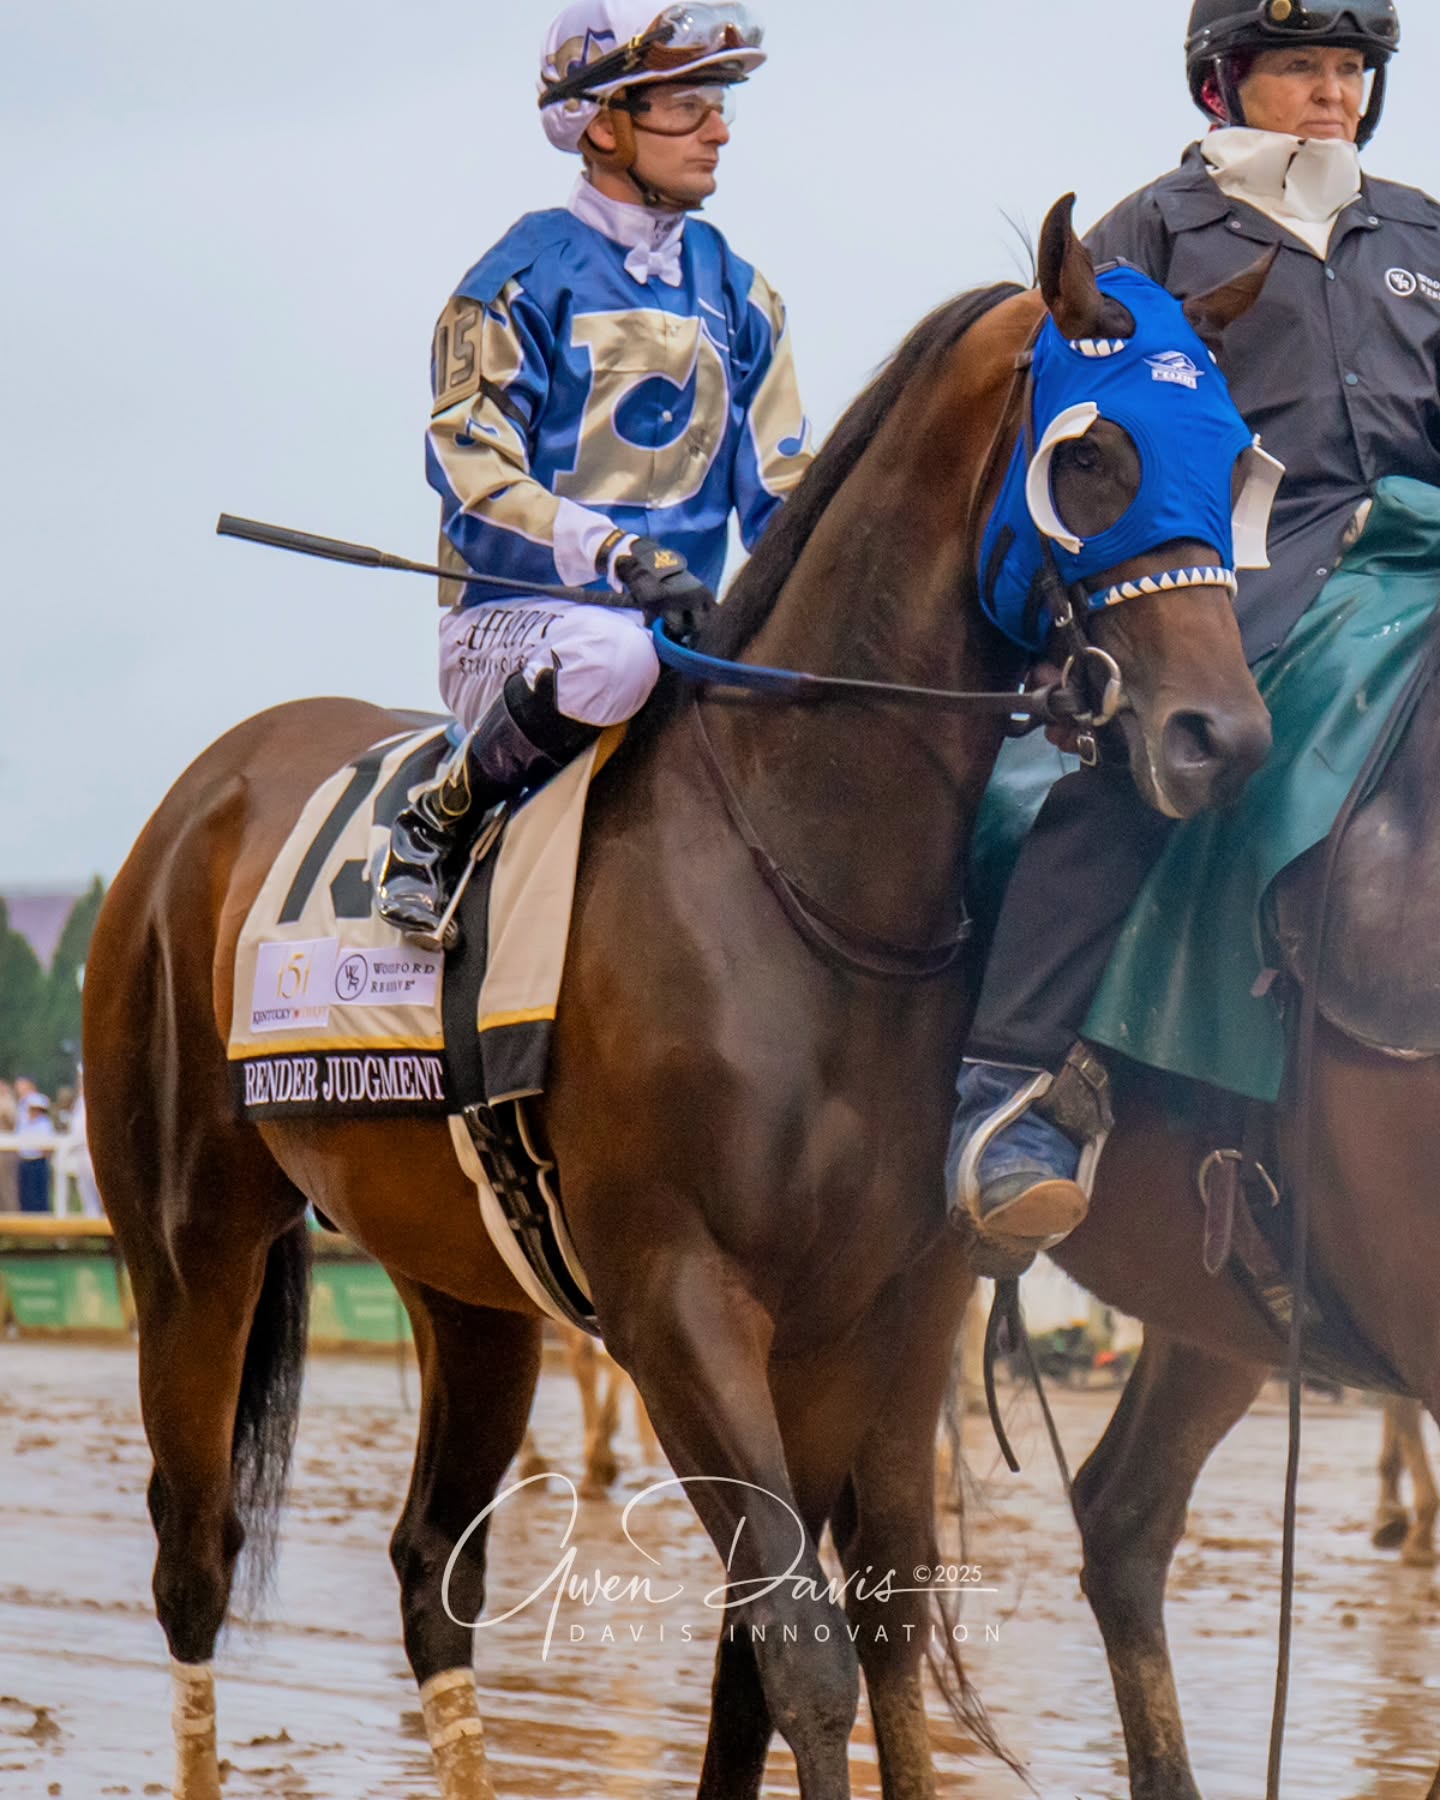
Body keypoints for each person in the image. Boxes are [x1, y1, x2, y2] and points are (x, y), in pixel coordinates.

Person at [947, 0, 1437, 1254]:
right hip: (1244, 569)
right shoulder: (1149, 232)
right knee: (1155, 762)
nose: (1332, 94)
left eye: (1351, 69)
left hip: (1423, 552)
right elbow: (1087, 442)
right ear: (1223, 84)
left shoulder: (1423, 231)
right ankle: (1018, 1083)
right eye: (1300, 68)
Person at [377, 0, 812, 934]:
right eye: (688, 105)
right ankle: (438, 819)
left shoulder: (742, 294)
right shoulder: (515, 282)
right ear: (604, 124)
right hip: (521, 630)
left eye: (721, 102)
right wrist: (613, 554)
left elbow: (783, 494)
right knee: (615, 659)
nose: (719, 130)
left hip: (684, 631)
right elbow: (471, 473)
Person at [16, 1086, 55, 1215]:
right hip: (25, 1161)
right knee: (26, 1194)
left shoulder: (45, 1124)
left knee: (39, 1193)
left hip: (38, 1162)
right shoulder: (24, 1123)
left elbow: (48, 1145)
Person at [0, 1080, 18, 1214]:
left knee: (7, 1187)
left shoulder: (8, 1102)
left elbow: (13, 1123)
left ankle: (11, 1215)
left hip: (5, 1152)